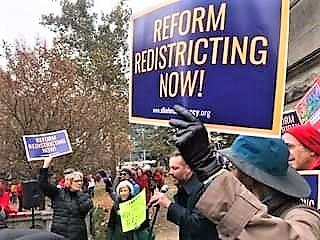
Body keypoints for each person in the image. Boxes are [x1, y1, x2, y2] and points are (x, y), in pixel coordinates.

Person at [169, 105, 320, 240]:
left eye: (233, 166)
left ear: (251, 177)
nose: (229, 172)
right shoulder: (248, 212)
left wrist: (210, 171)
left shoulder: (303, 217)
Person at [149, 150, 218, 240]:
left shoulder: (203, 189)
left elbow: (197, 224)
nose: (170, 172)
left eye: (175, 168)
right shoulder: (184, 189)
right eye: (170, 168)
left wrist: (169, 204)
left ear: (189, 168)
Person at [39, 158, 93, 240]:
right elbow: (43, 185)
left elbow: (84, 209)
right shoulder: (58, 193)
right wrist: (45, 165)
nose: (79, 183)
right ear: (68, 182)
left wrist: (79, 193)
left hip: (77, 235)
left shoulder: (84, 195)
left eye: (81, 181)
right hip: (59, 235)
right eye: (76, 181)